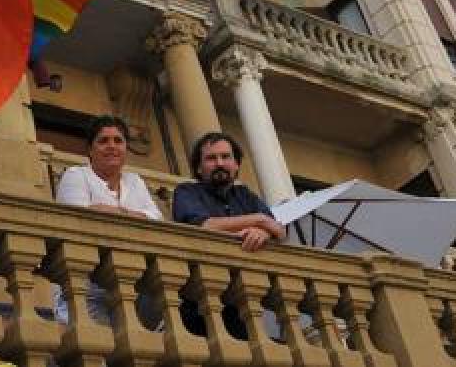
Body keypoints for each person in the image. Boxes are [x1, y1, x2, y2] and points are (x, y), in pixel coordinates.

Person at [171, 131, 287, 337]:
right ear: (198, 168)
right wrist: (259, 221)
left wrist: (262, 233)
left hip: (245, 299)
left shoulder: (246, 196)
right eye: (211, 158)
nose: (220, 163)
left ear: (236, 165)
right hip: (200, 300)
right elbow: (205, 226)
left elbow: (279, 230)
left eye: (226, 157)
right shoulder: (186, 191)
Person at [54, 114, 162, 326]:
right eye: (103, 141)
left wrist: (112, 211)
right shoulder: (76, 175)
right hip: (86, 288)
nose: (112, 146)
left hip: (132, 285)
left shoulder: (135, 181)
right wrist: (132, 216)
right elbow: (82, 221)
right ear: (90, 149)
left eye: (118, 140)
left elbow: (156, 222)